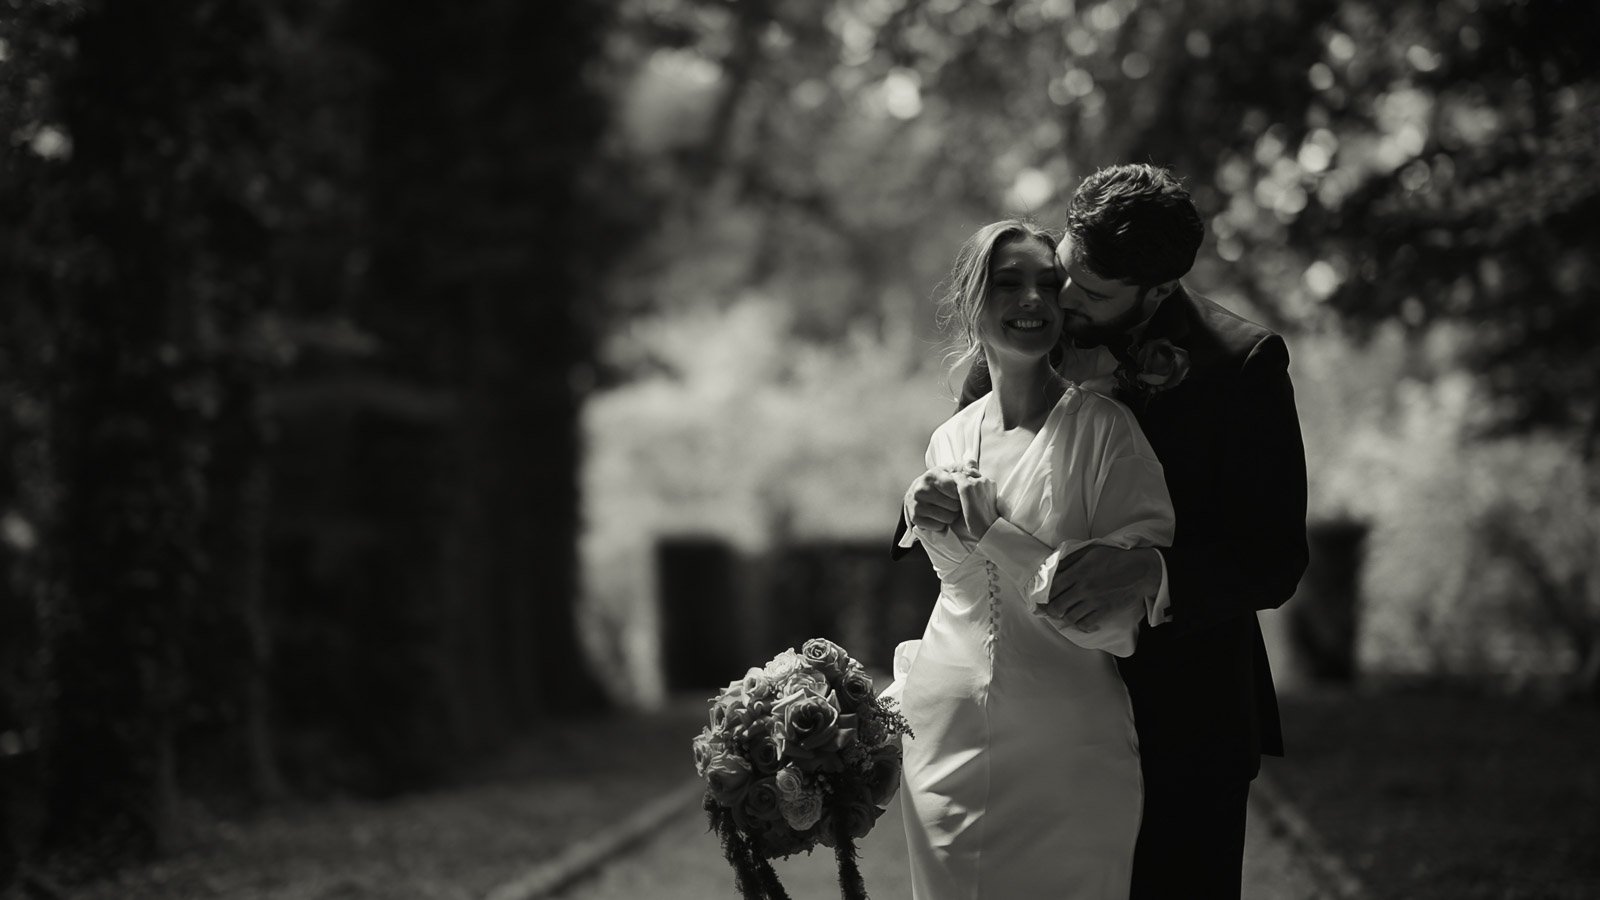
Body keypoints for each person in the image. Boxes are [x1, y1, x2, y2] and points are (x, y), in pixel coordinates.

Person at [897, 164, 1310, 899]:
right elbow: (969, 472)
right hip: (1031, 719)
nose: (1063, 300)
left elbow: (1273, 555)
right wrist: (924, 507)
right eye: (1066, 273)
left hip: (1184, 715)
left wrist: (1154, 574)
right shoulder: (1029, 324)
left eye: (1091, 294)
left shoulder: (1239, 364)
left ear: (1157, 291)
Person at [884, 218, 1177, 899]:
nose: (1034, 301)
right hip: (941, 750)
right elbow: (963, 603)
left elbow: (1113, 626)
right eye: (1009, 283)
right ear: (970, 302)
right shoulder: (948, 439)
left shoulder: (1107, 432)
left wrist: (996, 532)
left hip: (1068, 760)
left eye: (1049, 285)